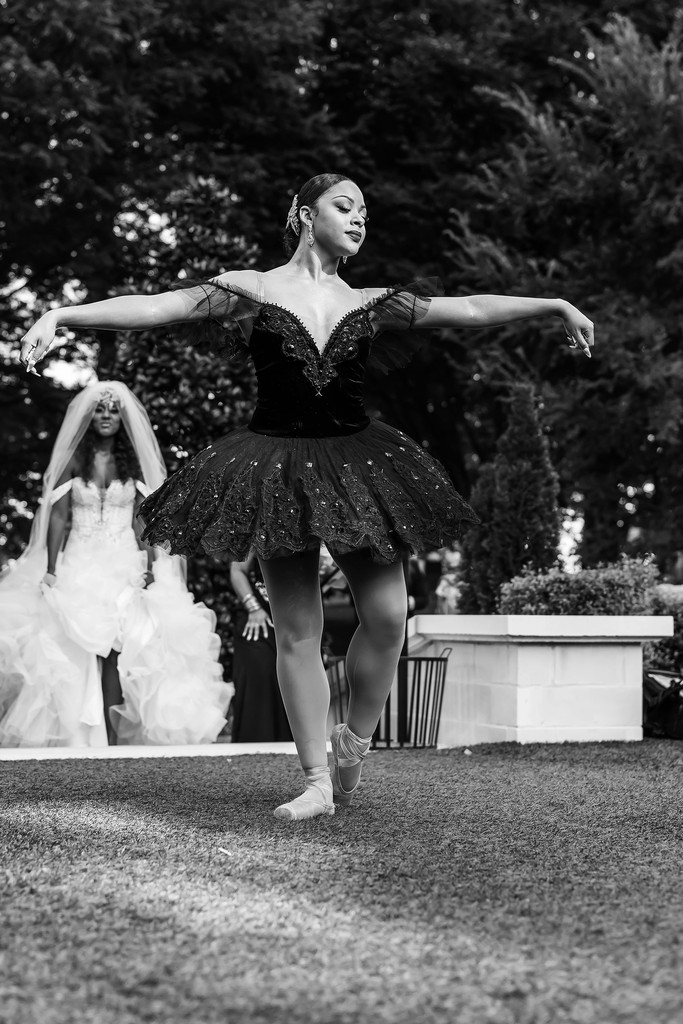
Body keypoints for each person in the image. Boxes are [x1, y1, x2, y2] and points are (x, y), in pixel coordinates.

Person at [20, 172, 594, 815]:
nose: (359, 219)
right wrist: (62, 314)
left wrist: (554, 305)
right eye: (344, 206)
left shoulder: (374, 302)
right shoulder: (252, 290)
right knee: (299, 630)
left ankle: (353, 741)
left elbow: (471, 308)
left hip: (358, 466)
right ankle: (317, 779)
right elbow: (159, 307)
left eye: (365, 212)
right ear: (303, 215)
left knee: (389, 616)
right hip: (276, 470)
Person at [0, 381, 230, 748]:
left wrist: (151, 566)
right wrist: (51, 567)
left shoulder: (132, 464)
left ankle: (112, 736)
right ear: (89, 416)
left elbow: (142, 522)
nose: (106, 416)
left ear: (122, 419)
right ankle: (82, 734)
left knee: (121, 647)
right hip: (80, 561)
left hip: (125, 563)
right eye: (100, 409)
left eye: (113, 410)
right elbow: (58, 516)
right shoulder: (74, 461)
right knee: (78, 644)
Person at [229, 552, 292, 742]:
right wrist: (254, 607)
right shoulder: (257, 534)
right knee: (259, 667)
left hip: (296, 614)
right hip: (259, 614)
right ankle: (254, 742)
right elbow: (237, 569)